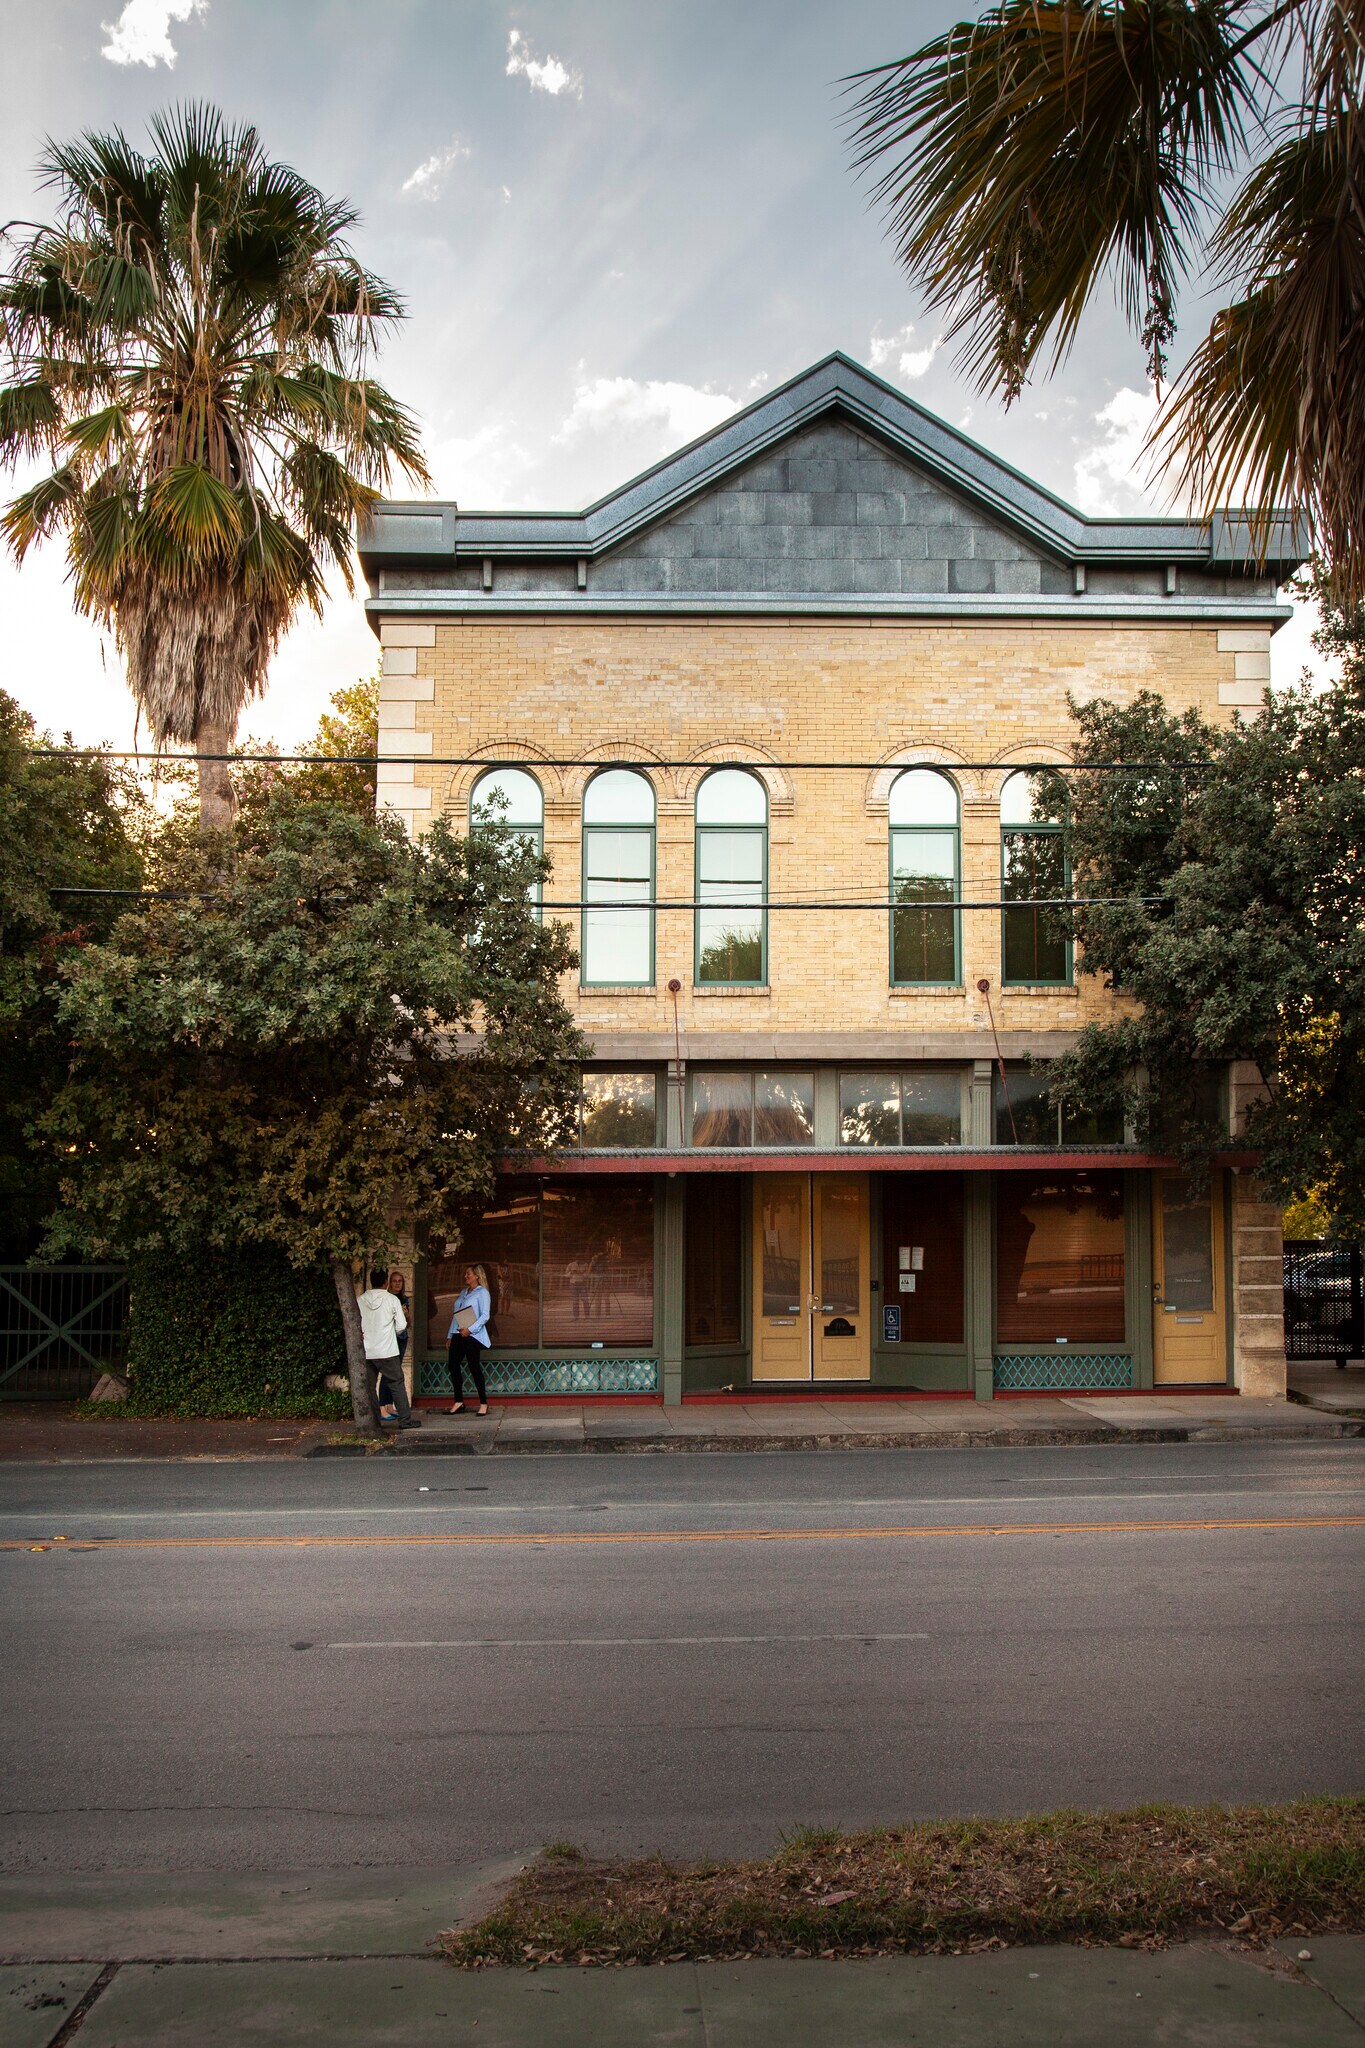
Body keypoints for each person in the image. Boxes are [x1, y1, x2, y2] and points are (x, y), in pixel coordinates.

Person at [357, 1267, 419, 1430]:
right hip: (387, 1350)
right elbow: (401, 1326)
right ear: (386, 1282)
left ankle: (374, 1421)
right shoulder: (392, 1300)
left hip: (368, 1350)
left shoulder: (360, 1300)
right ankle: (405, 1420)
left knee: (370, 1387)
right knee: (396, 1384)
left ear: (371, 1281)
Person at [447, 1263, 491, 1415]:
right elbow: (456, 1315)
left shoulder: (482, 1293)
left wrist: (470, 1329)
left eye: (468, 1274)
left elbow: (485, 1316)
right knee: (453, 1365)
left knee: (474, 1367)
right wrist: (450, 1335)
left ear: (477, 1276)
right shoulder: (463, 1292)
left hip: (473, 1335)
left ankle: (483, 1403)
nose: (466, 1276)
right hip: (458, 1334)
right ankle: (458, 1401)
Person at [376, 1269, 410, 1423]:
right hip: (389, 1339)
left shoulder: (404, 1299)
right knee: (388, 1373)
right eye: (394, 1281)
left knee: (395, 1371)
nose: (397, 1284)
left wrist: (406, 1314)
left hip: (401, 1337)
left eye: (400, 1281)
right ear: (388, 1283)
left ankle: (389, 1405)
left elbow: (407, 1323)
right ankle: (382, 1405)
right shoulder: (386, 1298)